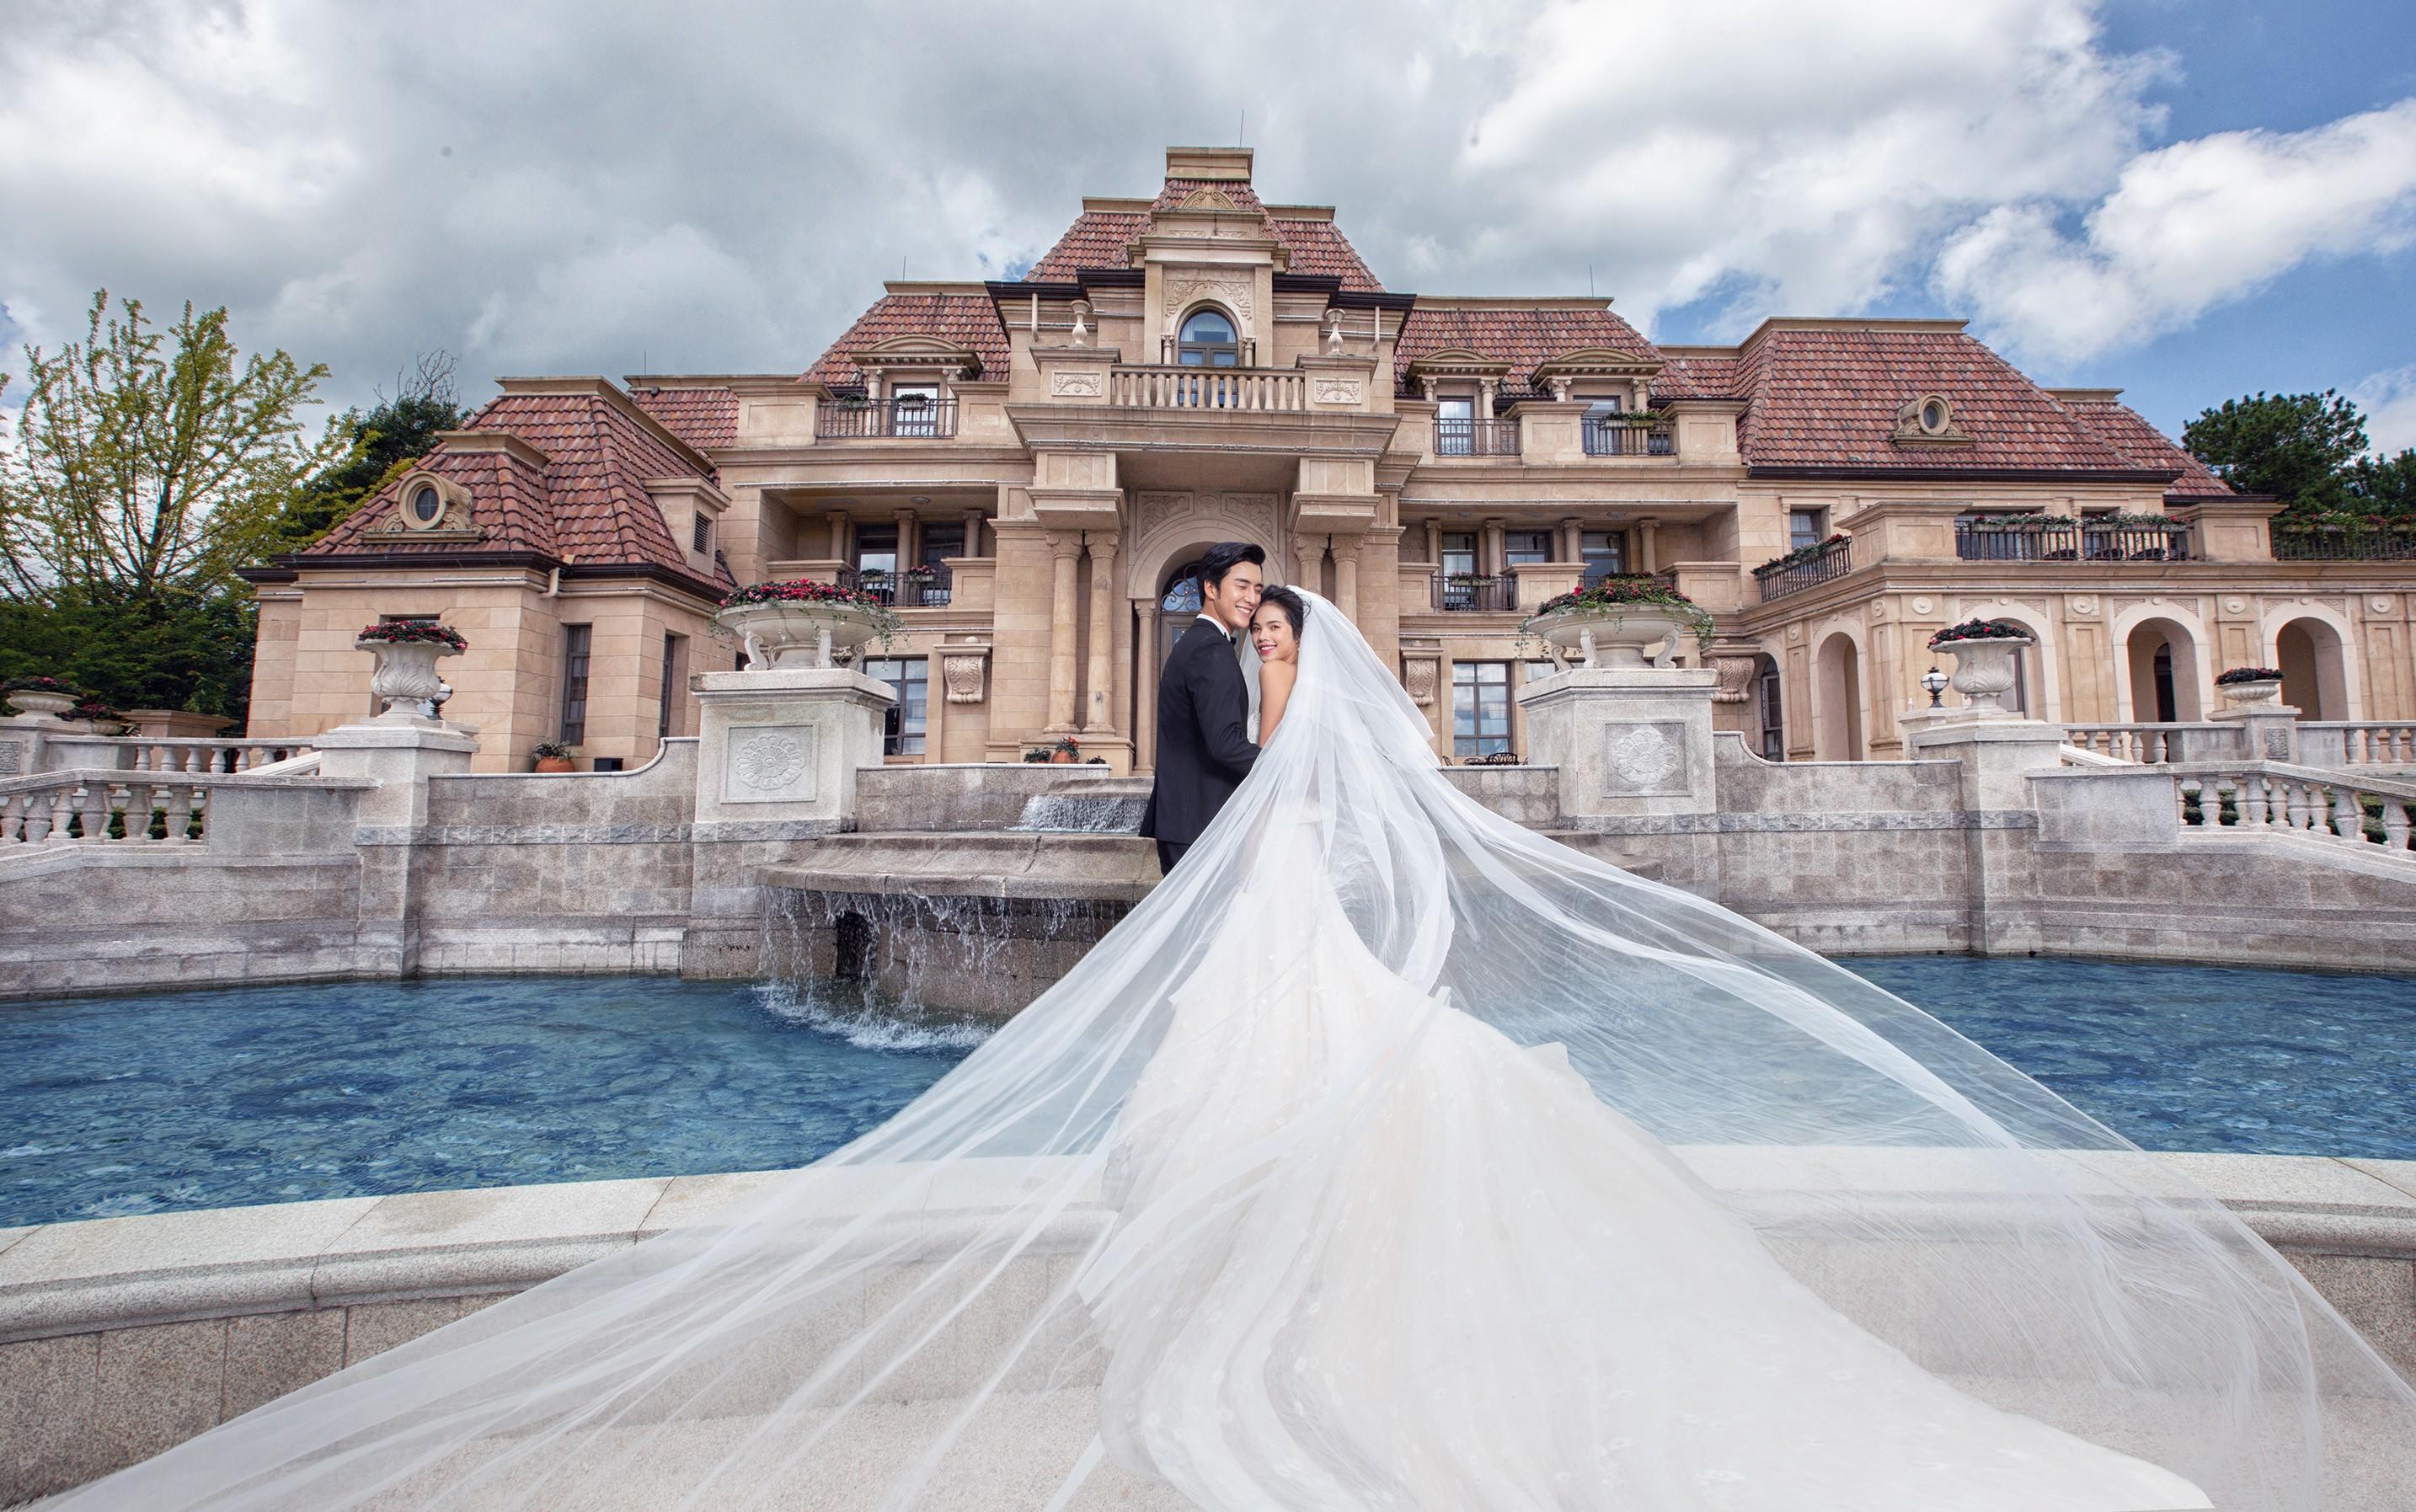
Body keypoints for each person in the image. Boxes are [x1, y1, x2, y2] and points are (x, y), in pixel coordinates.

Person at [49, 591, 2416, 1511]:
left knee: (1308, 1063)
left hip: (1237, 879)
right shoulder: (1251, 668)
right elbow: (1227, 771)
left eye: (1256, 601)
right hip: (1250, 879)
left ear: (1269, 621)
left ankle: (1264, 1235)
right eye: (1236, 598)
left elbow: (1220, 782)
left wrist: (1207, 806)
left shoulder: (1246, 676)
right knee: (1349, 1063)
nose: (1237, 611)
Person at [1137, 542, 1262, 876]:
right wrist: (1288, 765)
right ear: (1210, 587)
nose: (1252, 598)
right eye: (1242, 586)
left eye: (1257, 588)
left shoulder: (1200, 643)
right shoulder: (1210, 648)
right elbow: (1225, 744)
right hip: (1199, 824)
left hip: (1188, 820)